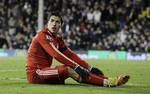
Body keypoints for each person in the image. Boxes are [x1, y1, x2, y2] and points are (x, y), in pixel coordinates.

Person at [26, 12, 130, 87]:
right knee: (70, 70)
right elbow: (56, 54)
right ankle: (110, 83)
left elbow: (70, 55)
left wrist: (88, 67)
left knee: (73, 69)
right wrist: (76, 66)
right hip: (36, 73)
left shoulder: (57, 39)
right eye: (52, 21)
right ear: (47, 23)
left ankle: (110, 80)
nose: (54, 24)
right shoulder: (42, 35)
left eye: (57, 22)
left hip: (45, 71)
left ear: (60, 25)